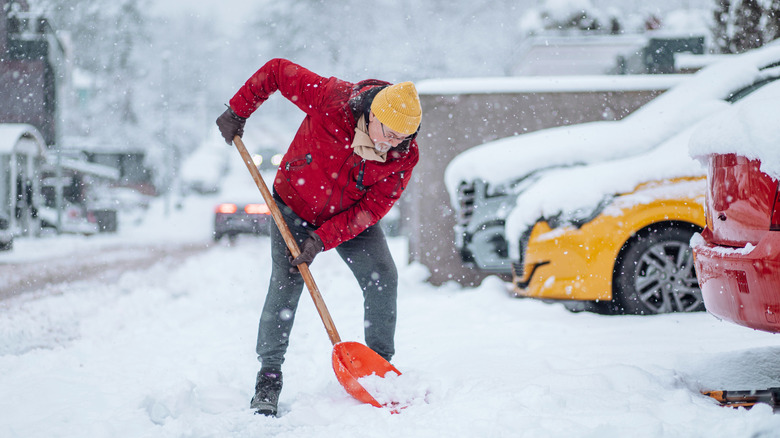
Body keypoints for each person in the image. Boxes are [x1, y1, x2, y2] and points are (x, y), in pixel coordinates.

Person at [215, 58, 422, 417]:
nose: (392, 144)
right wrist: (239, 110)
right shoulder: (333, 99)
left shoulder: (403, 155)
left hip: (348, 216)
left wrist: (323, 238)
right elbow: (278, 70)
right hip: (292, 205)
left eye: (403, 137)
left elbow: (373, 207)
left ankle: (378, 369)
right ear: (372, 114)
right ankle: (268, 378)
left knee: (383, 278)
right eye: (388, 133)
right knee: (286, 285)